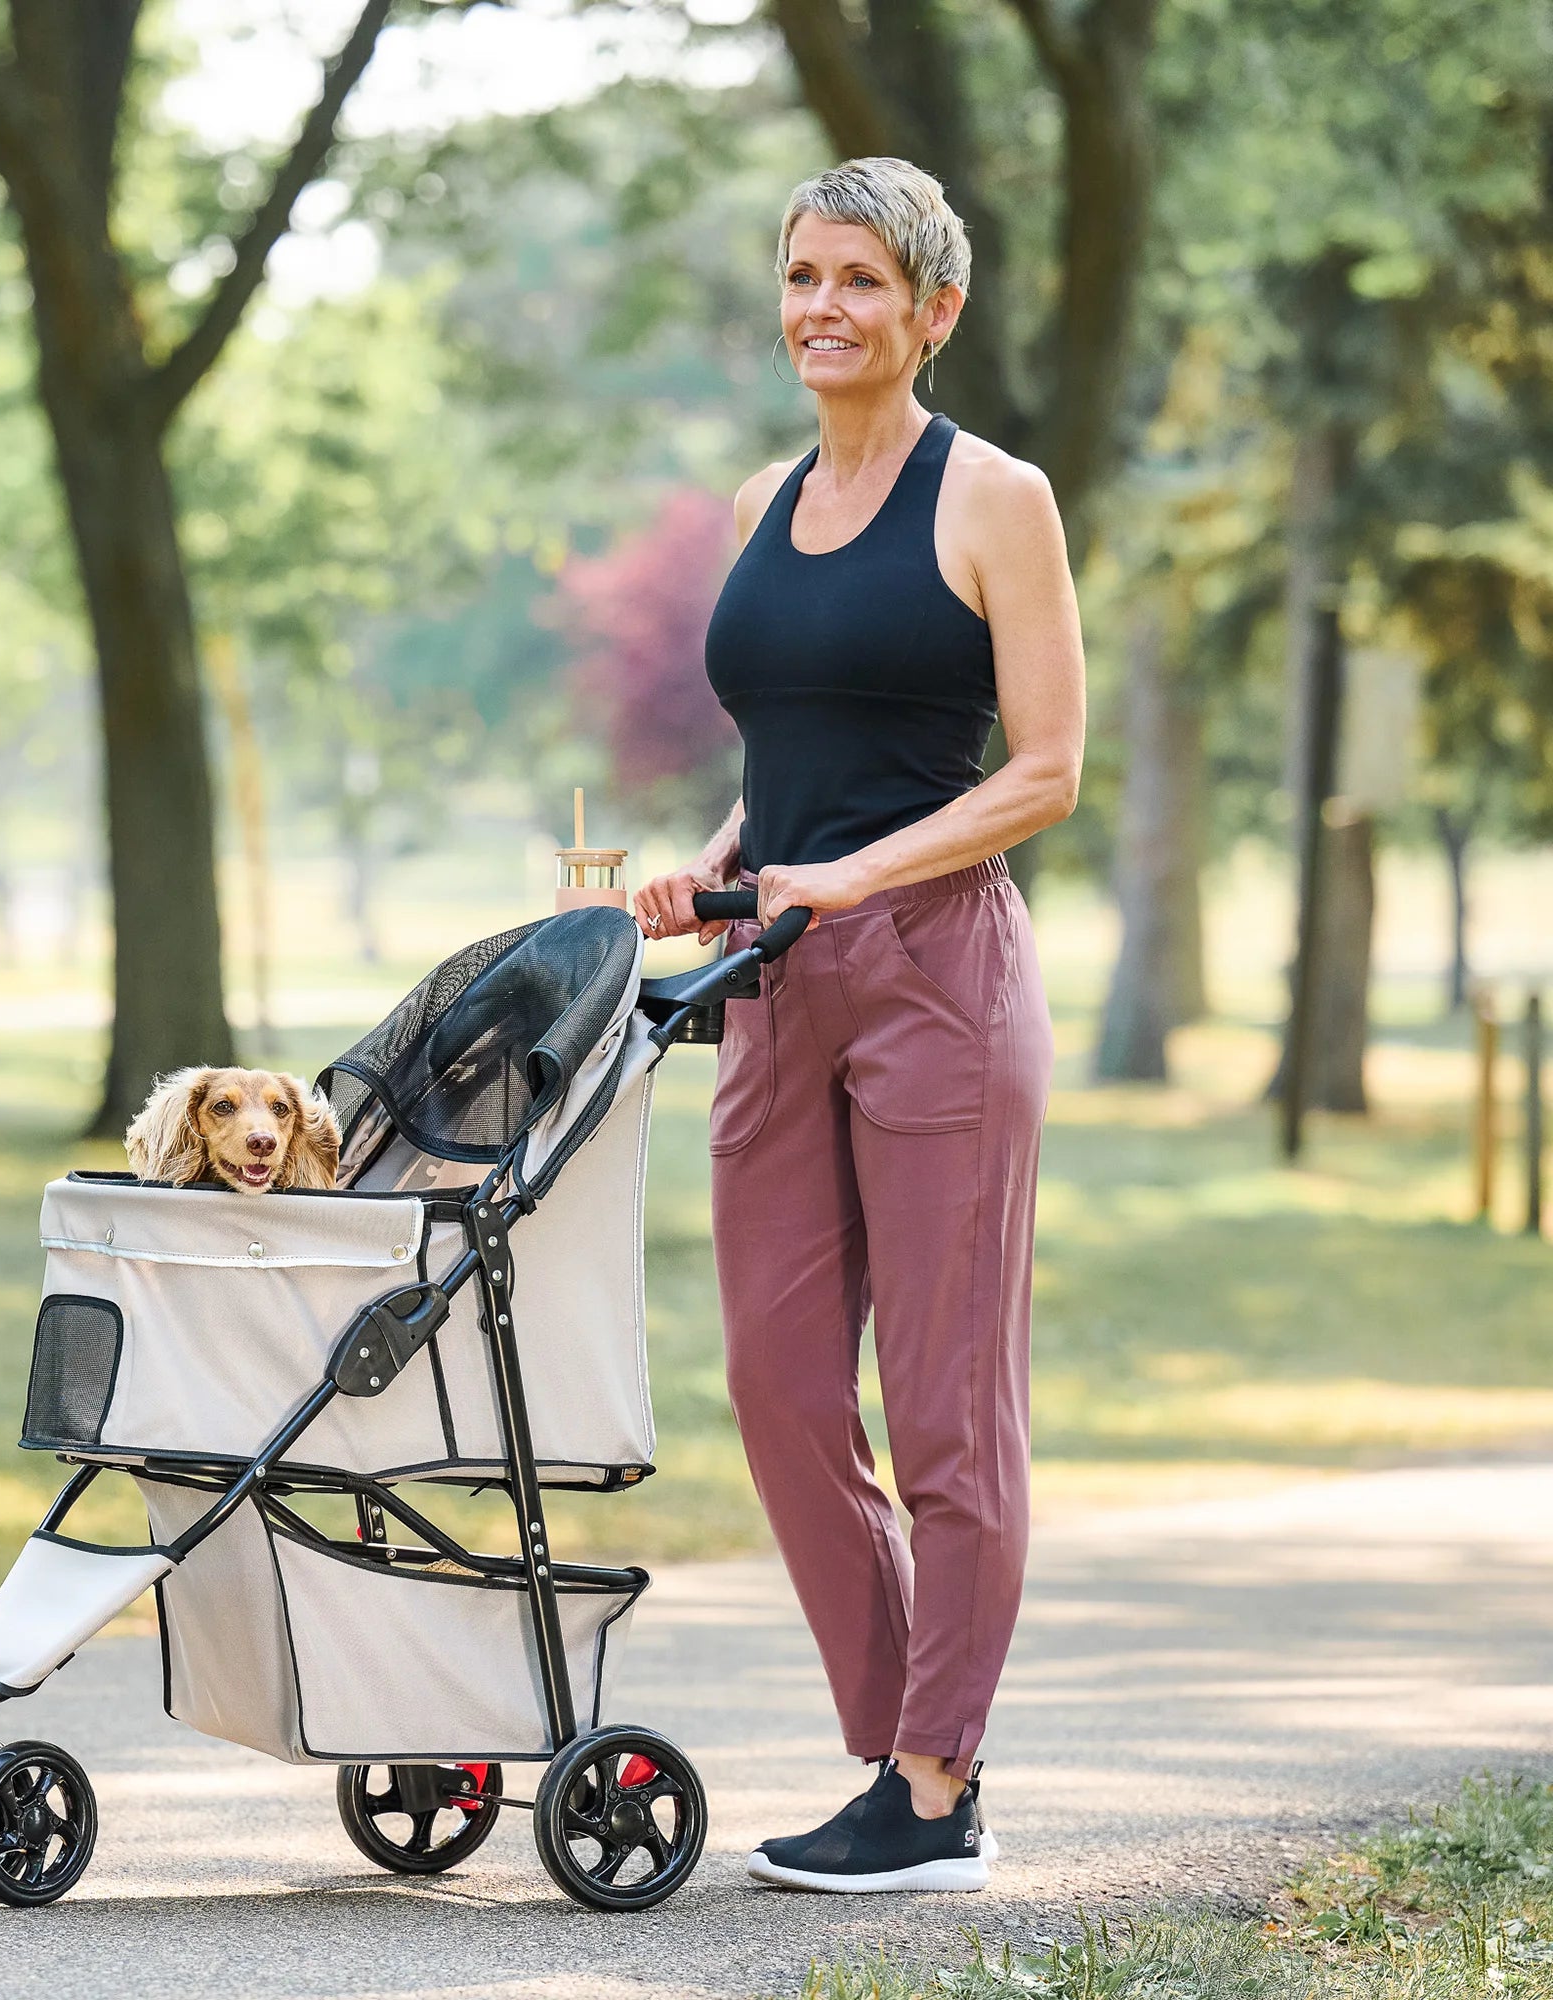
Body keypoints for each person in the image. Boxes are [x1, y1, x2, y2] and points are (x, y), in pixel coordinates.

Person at [633, 156, 1085, 1894]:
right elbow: (791, 763)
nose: (823, 306)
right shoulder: (764, 495)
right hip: (779, 976)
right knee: (777, 1386)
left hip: (940, 981)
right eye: (803, 274)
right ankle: (903, 1750)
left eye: (864, 283)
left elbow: (1042, 771)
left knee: (953, 1405)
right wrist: (725, 865)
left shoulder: (998, 498)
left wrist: (849, 878)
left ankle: (933, 1780)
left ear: (932, 314)